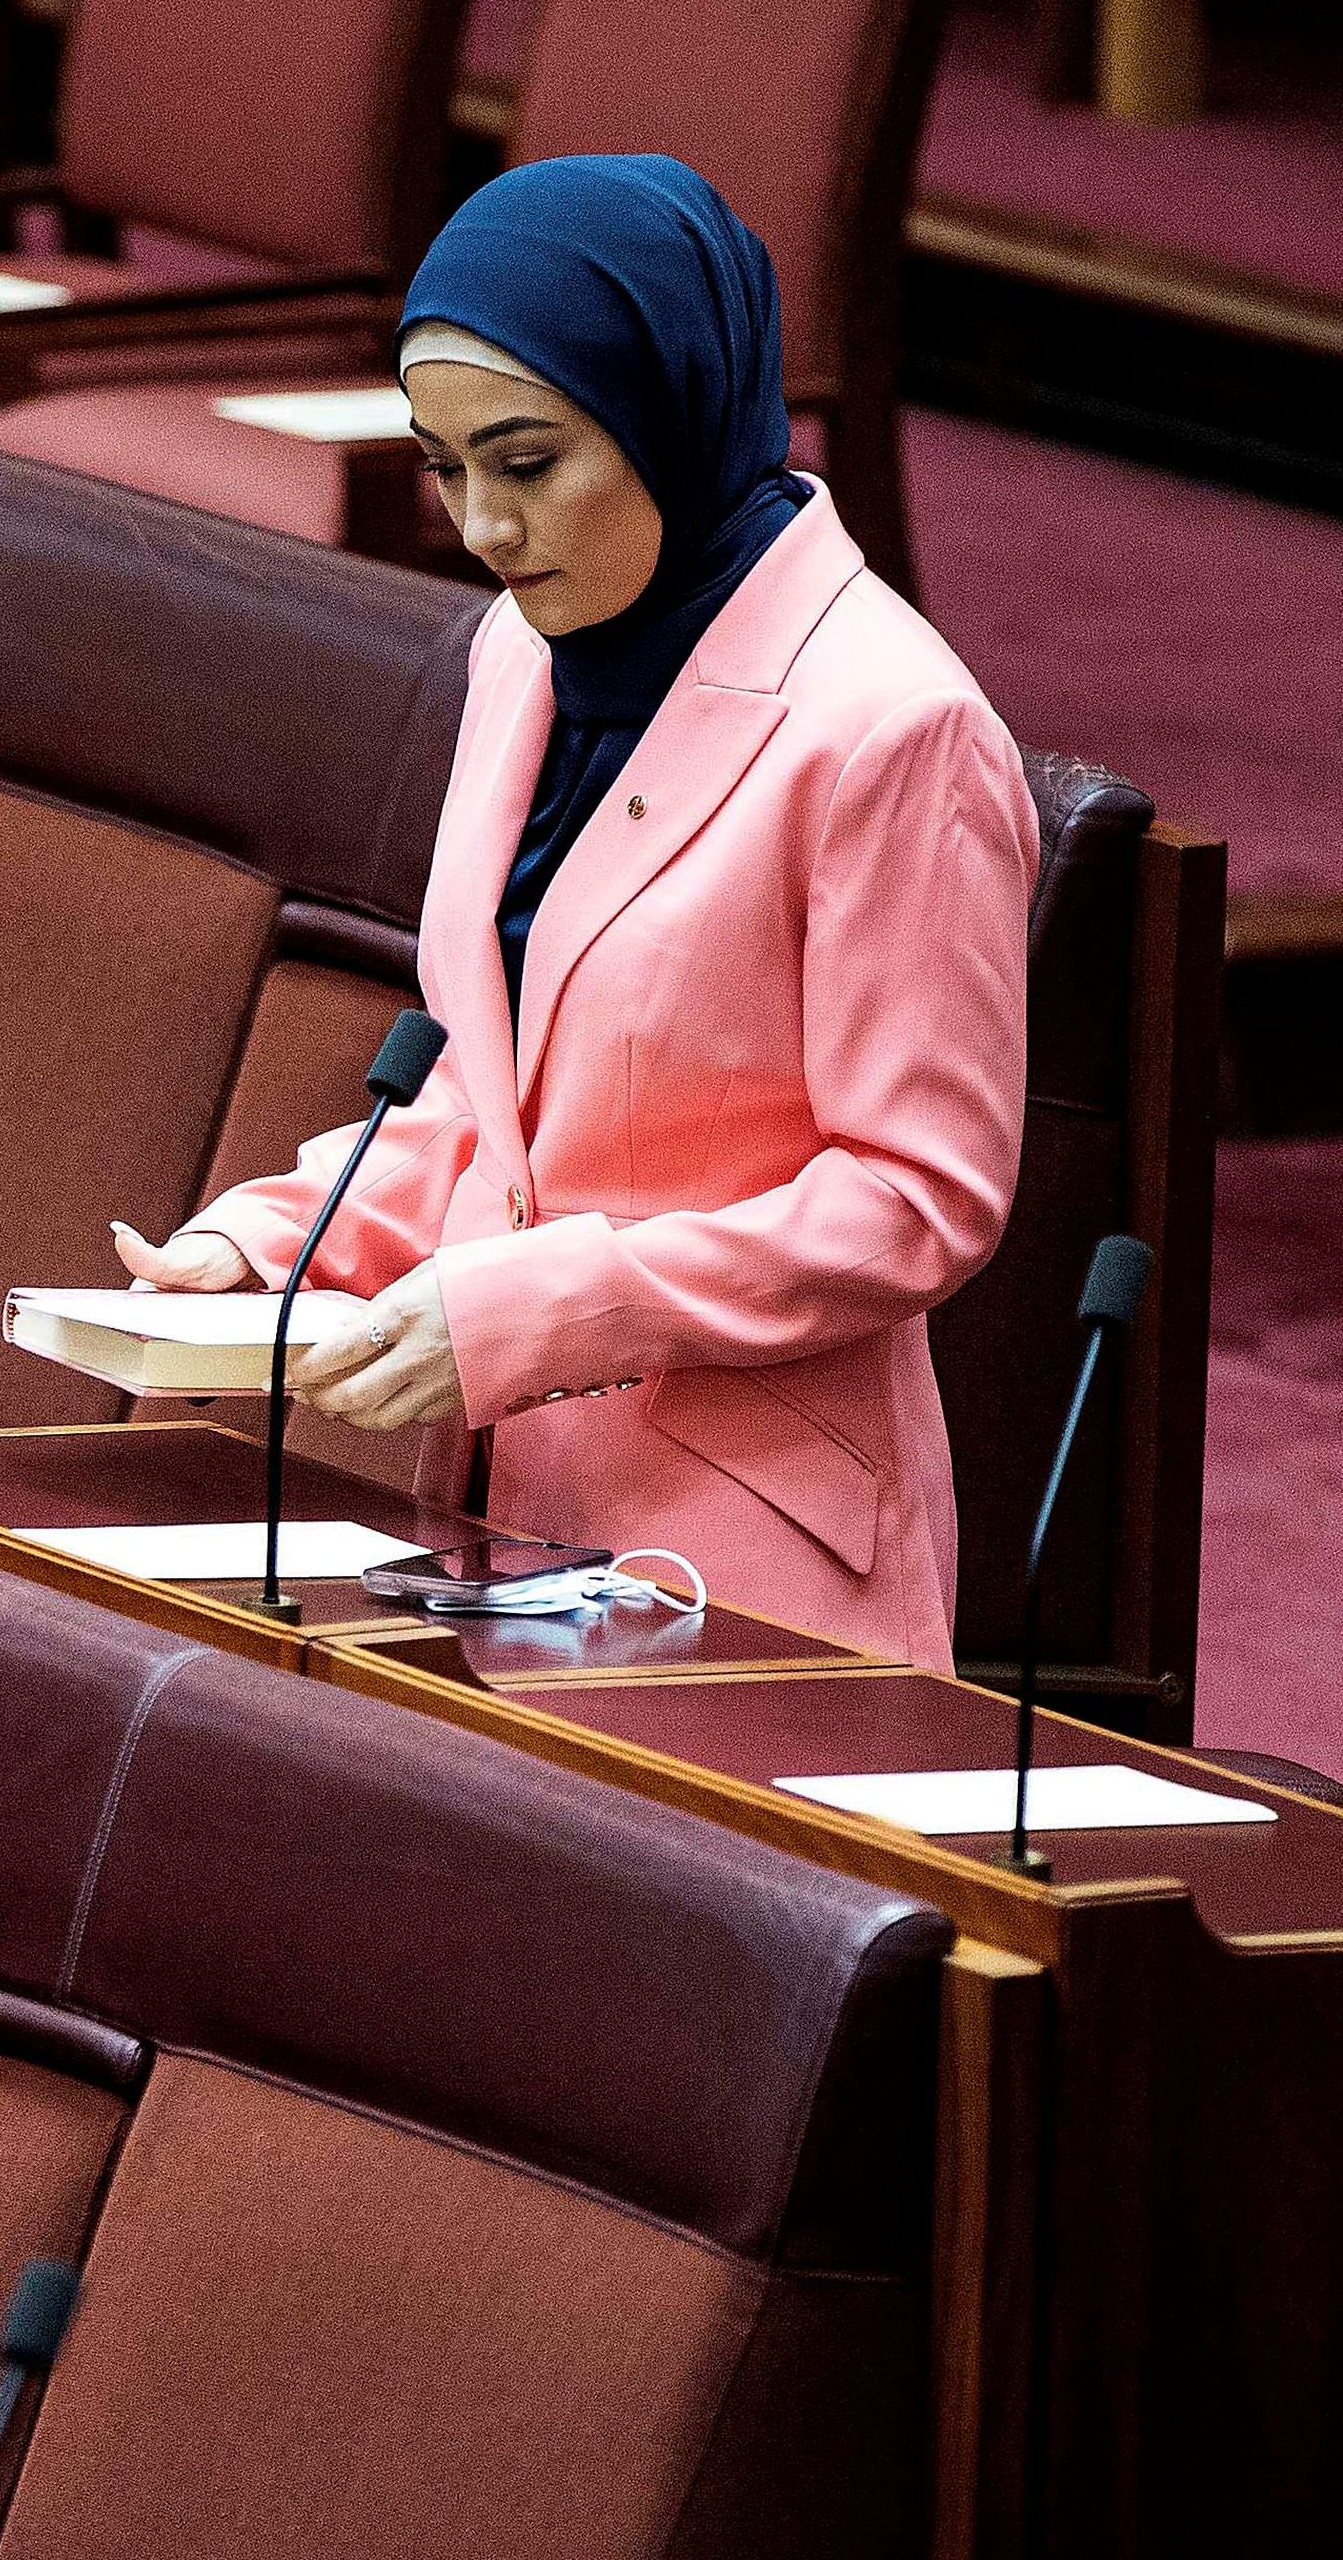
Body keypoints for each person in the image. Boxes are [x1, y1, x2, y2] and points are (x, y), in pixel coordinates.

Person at [112, 155, 1035, 1669]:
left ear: (675, 408)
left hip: (747, 1559)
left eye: (527, 464)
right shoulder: (522, 657)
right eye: (441, 464)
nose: (480, 525)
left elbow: (916, 1198)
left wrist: (549, 1308)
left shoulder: (892, 729)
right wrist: (289, 1243)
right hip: (493, 1523)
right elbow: (498, 1094)